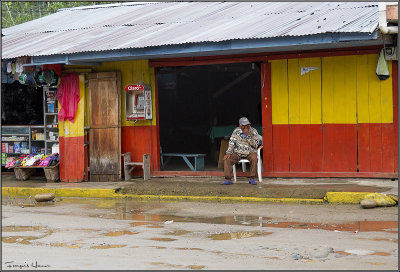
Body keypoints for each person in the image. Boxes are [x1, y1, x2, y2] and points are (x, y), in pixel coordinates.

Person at [222, 117, 260, 185]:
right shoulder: (236, 131)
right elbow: (232, 142)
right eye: (244, 125)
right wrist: (228, 152)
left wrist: (248, 135)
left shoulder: (254, 131)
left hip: (249, 152)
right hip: (237, 152)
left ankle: (252, 178)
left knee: (254, 158)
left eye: (247, 125)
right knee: (227, 158)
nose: (245, 127)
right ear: (240, 125)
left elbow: (255, 145)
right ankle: (228, 179)